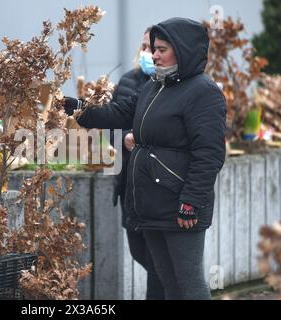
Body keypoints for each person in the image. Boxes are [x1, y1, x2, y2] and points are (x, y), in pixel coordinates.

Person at [64, 18, 227, 300]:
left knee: (188, 284)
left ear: (183, 50)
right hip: (150, 203)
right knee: (167, 281)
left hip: (180, 206)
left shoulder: (204, 92)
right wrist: (76, 108)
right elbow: (116, 113)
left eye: (162, 49)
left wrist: (190, 202)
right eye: (154, 48)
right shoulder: (154, 87)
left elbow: (209, 154)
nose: (154, 55)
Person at [110, 26, 165, 300]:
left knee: (158, 264)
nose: (148, 53)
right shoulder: (128, 81)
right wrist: (123, 140)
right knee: (139, 252)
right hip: (130, 186)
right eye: (144, 47)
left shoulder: (173, 86)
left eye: (154, 48)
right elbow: (113, 125)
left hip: (157, 186)